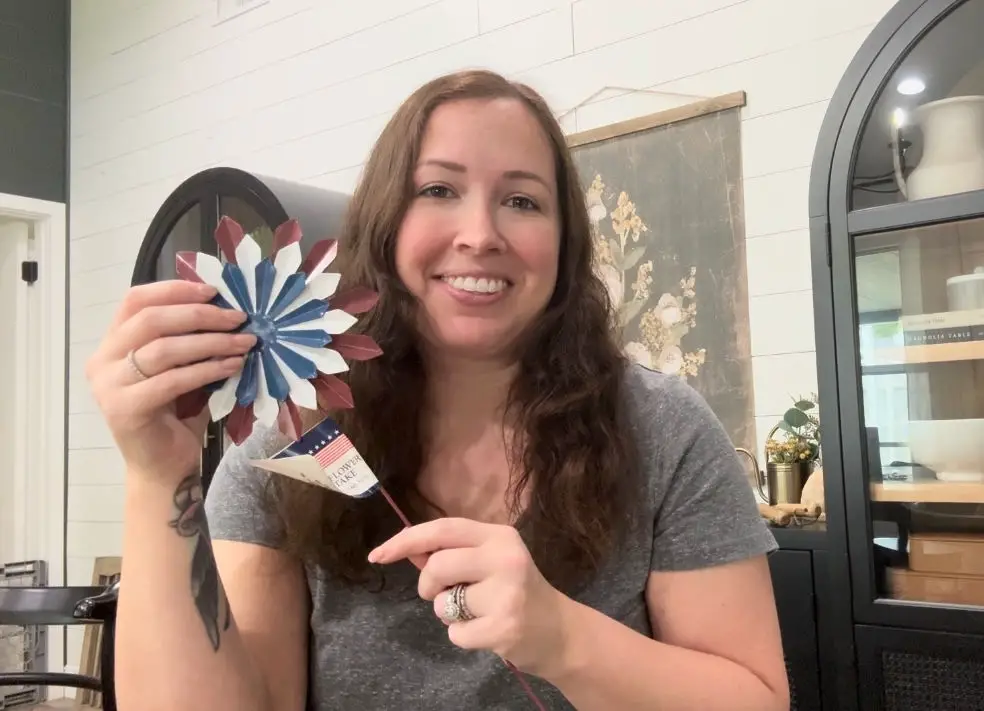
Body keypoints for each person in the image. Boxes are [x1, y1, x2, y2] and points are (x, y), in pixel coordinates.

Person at [87, 69, 789, 711]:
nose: (480, 234)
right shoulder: (295, 435)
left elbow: (756, 699)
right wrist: (157, 475)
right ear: (385, 226)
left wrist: (564, 639)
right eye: (438, 190)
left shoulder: (661, 430)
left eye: (521, 200)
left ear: (565, 241)